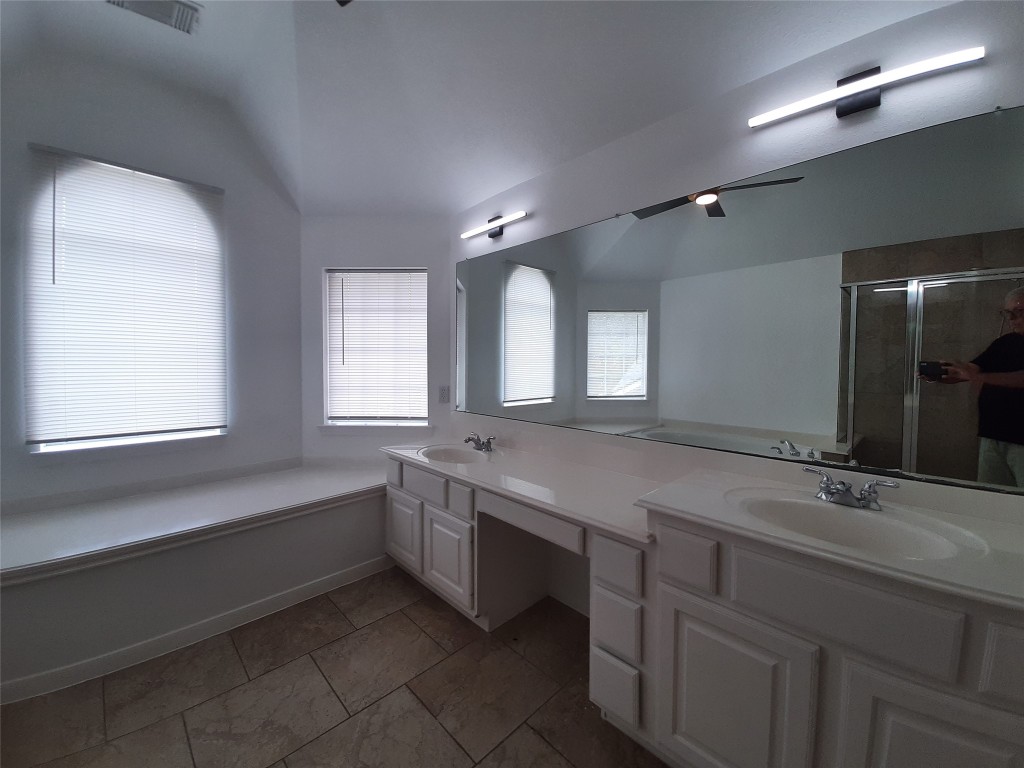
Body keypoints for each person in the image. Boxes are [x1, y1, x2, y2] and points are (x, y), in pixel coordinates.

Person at [929, 286, 1024, 487]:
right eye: (1008, 313)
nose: (1012, 318)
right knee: (989, 497)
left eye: (1019, 311)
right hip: (993, 435)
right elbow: (968, 372)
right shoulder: (1004, 343)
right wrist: (942, 375)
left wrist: (977, 376)